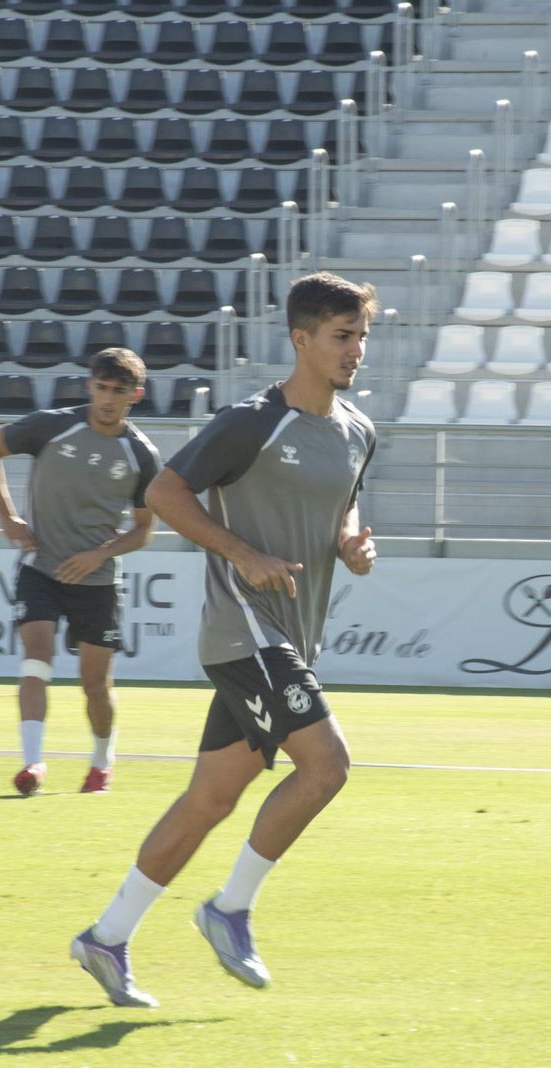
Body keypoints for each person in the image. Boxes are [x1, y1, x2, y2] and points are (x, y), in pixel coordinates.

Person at [69, 271, 380, 1007]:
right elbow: (164, 492)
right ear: (301, 339)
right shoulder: (250, 421)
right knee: (327, 767)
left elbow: (341, 512)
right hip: (244, 631)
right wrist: (242, 553)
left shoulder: (360, 430)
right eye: (342, 336)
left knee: (209, 800)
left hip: (290, 639)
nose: (356, 349)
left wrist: (352, 546)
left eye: (363, 335)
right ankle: (230, 909)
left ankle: (106, 938)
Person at [0, 348, 159, 797]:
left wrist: (100, 554)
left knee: (95, 686)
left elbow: (143, 531)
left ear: (135, 395)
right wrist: (7, 516)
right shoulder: (52, 426)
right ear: (89, 386)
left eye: (118, 391)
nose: (108, 399)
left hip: (96, 582)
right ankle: (33, 764)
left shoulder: (142, 454)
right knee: (36, 660)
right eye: (101, 388)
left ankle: (101, 765)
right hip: (40, 568)